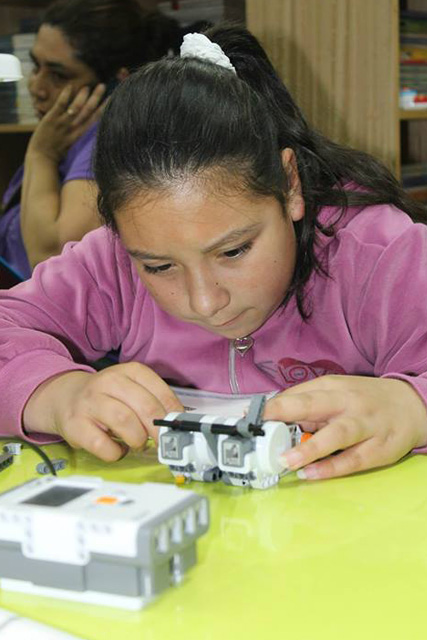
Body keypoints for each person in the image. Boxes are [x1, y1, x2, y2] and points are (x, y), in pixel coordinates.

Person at [1, 24, 427, 482]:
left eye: (234, 250)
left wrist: (411, 405)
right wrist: (57, 394)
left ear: (289, 185)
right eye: (159, 266)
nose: (205, 302)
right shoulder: (114, 261)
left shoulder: (379, 255)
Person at [0, 0, 178, 280]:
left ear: (117, 81)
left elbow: (52, 258)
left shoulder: (107, 143)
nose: (36, 87)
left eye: (58, 75)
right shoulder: (65, 136)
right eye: (36, 66)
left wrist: (41, 154)